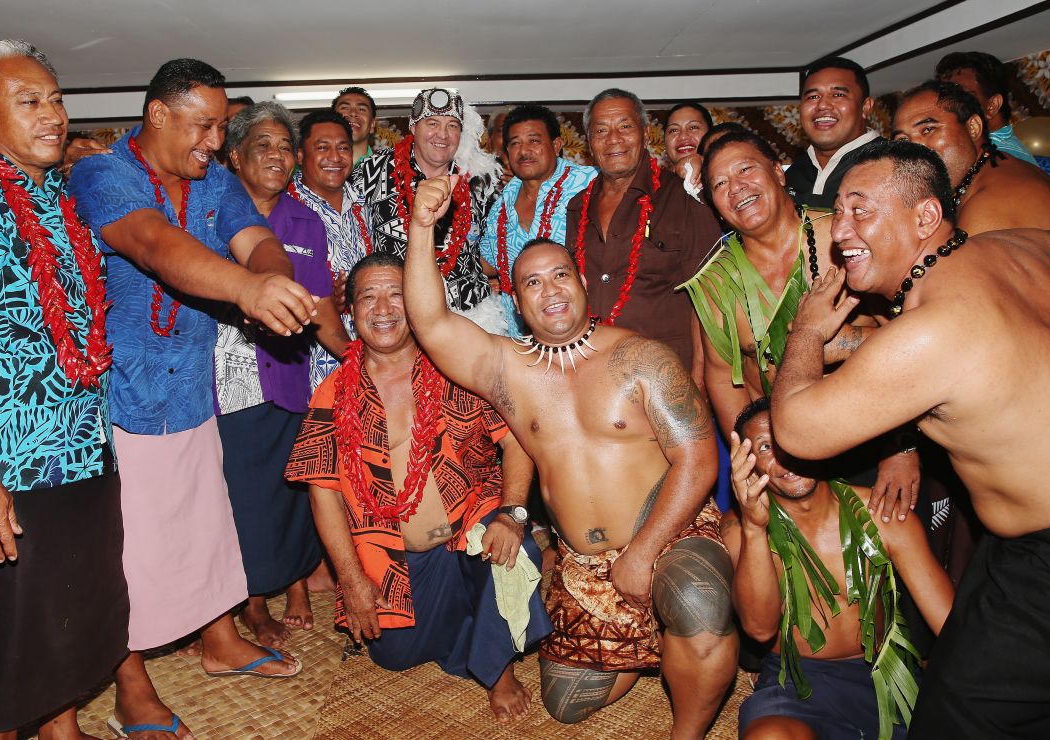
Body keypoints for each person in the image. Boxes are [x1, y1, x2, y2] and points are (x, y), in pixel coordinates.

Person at [405, 177, 737, 739]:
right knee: (565, 701)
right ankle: (655, 640)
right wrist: (420, 226)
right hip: (584, 565)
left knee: (696, 600)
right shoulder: (506, 369)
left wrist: (643, 555)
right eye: (532, 282)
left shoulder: (640, 357)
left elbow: (699, 462)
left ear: (582, 283)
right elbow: (431, 322)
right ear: (515, 299)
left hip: (669, 532)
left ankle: (688, 722)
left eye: (561, 274)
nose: (550, 289)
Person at [770, 138, 1050, 739]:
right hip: (1016, 549)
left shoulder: (932, 329)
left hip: (1042, 560)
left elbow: (796, 428)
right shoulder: (1022, 245)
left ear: (926, 216)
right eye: (837, 210)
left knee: (955, 719)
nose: (840, 229)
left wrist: (808, 332)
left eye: (861, 209)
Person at [70, 58, 317, 737]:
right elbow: (154, 245)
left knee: (206, 522)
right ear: (158, 116)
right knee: (127, 549)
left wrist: (270, 281)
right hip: (120, 396)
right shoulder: (102, 175)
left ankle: (218, 640)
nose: (214, 141)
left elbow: (259, 240)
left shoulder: (214, 180)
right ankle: (129, 686)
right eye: (203, 125)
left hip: (192, 386)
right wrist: (245, 292)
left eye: (220, 126)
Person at [0, 39, 126, 739]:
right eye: (30, 101)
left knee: (79, 609)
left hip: (82, 446)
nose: (53, 114)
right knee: (25, 626)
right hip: (13, 464)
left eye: (55, 98)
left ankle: (63, 727)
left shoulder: (57, 198)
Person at [285, 251, 552, 723]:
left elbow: (517, 441)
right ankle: (475, 627)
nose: (384, 309)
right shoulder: (332, 393)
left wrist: (513, 513)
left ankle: (500, 667)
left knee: (516, 555)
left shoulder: (455, 368)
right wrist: (351, 579)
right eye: (369, 297)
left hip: (471, 530)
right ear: (350, 311)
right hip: (396, 557)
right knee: (395, 655)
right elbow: (321, 490)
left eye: (397, 295)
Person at [681, 130, 920, 519]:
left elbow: (915, 336)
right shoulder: (714, 284)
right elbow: (725, 381)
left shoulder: (844, 239)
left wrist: (902, 449)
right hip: (783, 458)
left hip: (871, 444)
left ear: (778, 172)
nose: (736, 187)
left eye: (746, 169)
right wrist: (759, 463)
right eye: (720, 184)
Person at [724, 398, 953, 739]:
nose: (784, 456)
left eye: (791, 437)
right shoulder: (740, 530)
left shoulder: (880, 514)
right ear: (748, 463)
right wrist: (755, 528)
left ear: (817, 440)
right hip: (796, 683)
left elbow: (950, 623)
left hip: (886, 674)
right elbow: (758, 630)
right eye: (767, 446)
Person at [216, 101, 350, 645]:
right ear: (235, 157)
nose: (277, 156)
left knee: (294, 488)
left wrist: (356, 358)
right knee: (242, 495)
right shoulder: (208, 214)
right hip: (227, 381)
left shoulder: (305, 222)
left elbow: (320, 306)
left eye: (284, 147)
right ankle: (251, 600)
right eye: (262, 146)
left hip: (291, 373)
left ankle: (294, 582)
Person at [566, 88, 721, 373]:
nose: (614, 139)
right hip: (593, 373)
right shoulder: (577, 207)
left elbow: (712, 300)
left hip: (668, 377)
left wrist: (702, 382)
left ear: (646, 134)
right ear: (589, 143)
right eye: (601, 130)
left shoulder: (685, 196)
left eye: (625, 126)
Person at [352, 87, 502, 318]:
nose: (442, 134)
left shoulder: (479, 180)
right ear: (413, 127)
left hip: (468, 312)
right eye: (432, 123)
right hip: (396, 311)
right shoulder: (372, 171)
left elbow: (495, 247)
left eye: (452, 126)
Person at [478, 104, 596, 334]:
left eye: (534, 141)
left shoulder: (591, 184)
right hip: (520, 339)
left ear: (556, 145)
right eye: (515, 143)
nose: (524, 151)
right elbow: (489, 263)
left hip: (583, 332)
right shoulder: (502, 202)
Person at [893, 80, 1050, 233]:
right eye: (903, 140)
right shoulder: (997, 164)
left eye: (928, 129)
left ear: (973, 128)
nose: (915, 149)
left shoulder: (987, 208)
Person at [289, 109, 367, 386]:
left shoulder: (364, 205)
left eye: (343, 148)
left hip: (370, 351)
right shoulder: (285, 211)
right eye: (323, 148)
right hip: (309, 366)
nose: (335, 157)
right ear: (300, 155)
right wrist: (322, 300)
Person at [784, 57, 879, 209]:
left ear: (866, 107)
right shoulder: (791, 175)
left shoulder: (893, 165)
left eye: (838, 95)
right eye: (813, 97)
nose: (822, 105)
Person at [936, 50, 1039, 165]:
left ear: (992, 106)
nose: (948, 106)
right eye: (945, 98)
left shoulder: (1003, 159)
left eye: (961, 96)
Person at [664, 101, 713, 197]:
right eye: (674, 130)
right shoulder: (652, 189)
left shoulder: (726, 181)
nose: (683, 136)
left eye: (693, 127)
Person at [332, 86, 378, 169]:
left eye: (361, 109)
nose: (353, 113)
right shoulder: (314, 168)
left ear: (372, 124)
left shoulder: (390, 169)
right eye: (345, 108)